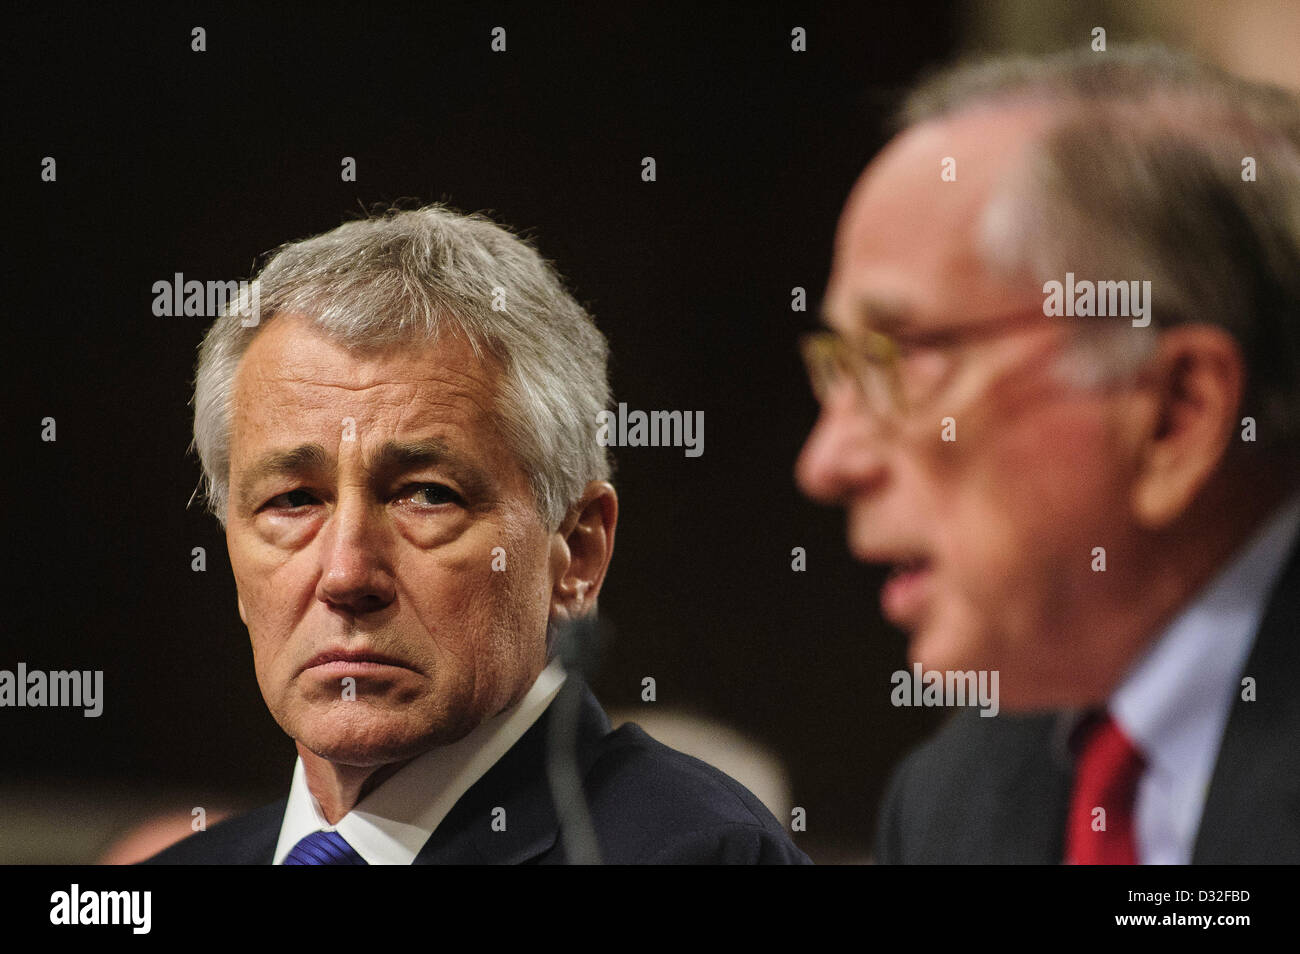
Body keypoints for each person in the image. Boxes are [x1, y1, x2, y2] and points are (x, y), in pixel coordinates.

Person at [144, 205, 809, 865]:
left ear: (577, 551)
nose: (345, 575)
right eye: (292, 501)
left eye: (427, 495)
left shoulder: (705, 855)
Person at [796, 46, 1300, 864]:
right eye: (841, 367)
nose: (827, 464)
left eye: (906, 358)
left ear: (1177, 413)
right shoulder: (948, 806)